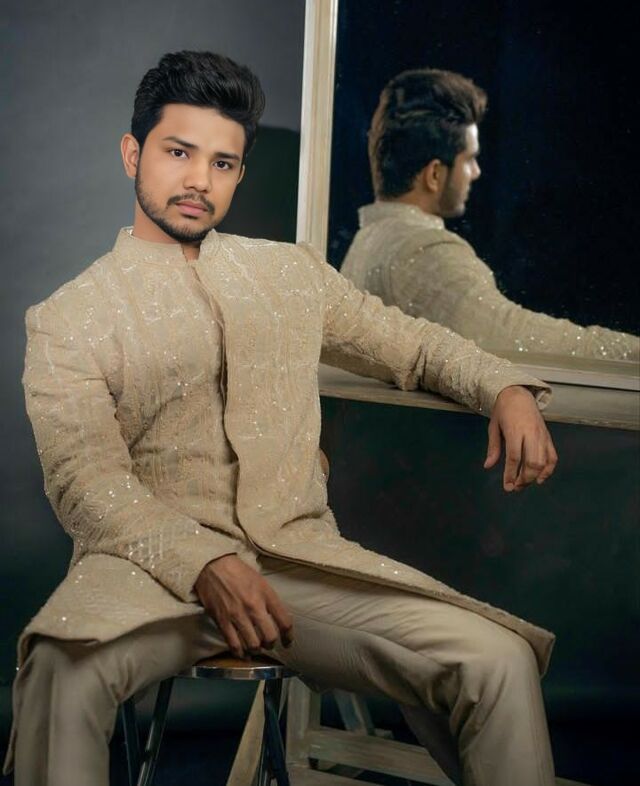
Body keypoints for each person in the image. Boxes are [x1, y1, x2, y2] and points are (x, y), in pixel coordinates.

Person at [6, 51, 560, 786]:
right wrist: (203, 563)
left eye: (223, 163)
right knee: (57, 669)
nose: (199, 180)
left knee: (497, 660)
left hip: (295, 564)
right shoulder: (68, 317)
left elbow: (414, 345)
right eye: (178, 153)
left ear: (240, 173)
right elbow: (84, 482)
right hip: (145, 572)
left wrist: (505, 388)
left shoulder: (288, 275)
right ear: (133, 154)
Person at [340, 68, 639, 361]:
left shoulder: (367, 241)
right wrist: (630, 351)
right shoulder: (423, 252)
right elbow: (519, 337)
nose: (476, 172)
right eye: (469, 159)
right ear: (434, 174)